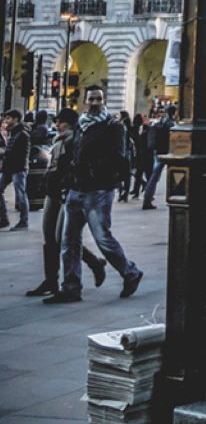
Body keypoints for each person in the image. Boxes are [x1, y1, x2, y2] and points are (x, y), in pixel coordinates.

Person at [45, 86, 143, 303]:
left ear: (103, 100)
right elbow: (74, 152)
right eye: (91, 98)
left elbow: (118, 156)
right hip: (76, 189)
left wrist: (93, 168)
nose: (95, 102)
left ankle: (130, 272)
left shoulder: (112, 126)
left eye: (99, 98)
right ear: (85, 101)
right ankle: (70, 287)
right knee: (68, 240)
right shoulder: (81, 124)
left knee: (102, 238)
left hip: (99, 190)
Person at [27, 107, 108, 297]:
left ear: (71, 123)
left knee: (61, 238)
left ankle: (94, 263)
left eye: (61, 122)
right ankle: (50, 281)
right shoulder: (57, 141)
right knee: (48, 236)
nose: (57, 125)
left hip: (67, 193)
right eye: (56, 122)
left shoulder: (76, 141)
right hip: (52, 192)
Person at [141, 104, 176, 209]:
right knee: (175, 176)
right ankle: (174, 197)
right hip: (169, 152)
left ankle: (147, 198)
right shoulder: (171, 123)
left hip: (158, 152)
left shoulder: (161, 121)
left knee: (154, 177)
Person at [1, 109, 31, 229]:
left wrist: (4, 153)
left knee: (21, 195)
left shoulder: (22, 134)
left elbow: (19, 153)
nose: (6, 120)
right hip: (10, 168)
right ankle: (3, 218)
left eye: (9, 118)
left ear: (16, 119)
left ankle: (24, 221)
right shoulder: (13, 132)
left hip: (18, 169)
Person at [129, 113, 150, 197]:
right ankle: (138, 188)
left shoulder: (135, 128)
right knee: (139, 172)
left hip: (138, 153)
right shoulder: (142, 128)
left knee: (138, 171)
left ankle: (138, 189)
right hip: (141, 153)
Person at [117, 110, 136, 203]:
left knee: (120, 175)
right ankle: (125, 194)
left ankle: (122, 193)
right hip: (128, 153)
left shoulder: (122, 126)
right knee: (127, 176)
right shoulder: (131, 126)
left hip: (123, 153)